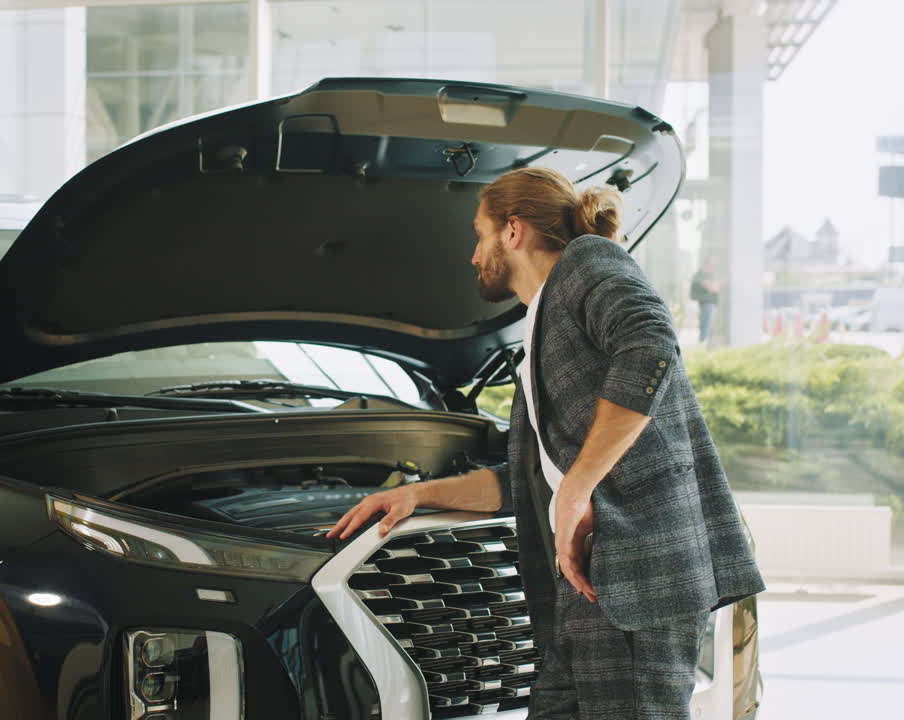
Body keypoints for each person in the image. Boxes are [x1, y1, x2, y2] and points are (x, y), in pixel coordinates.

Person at [327, 167, 764, 719]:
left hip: (634, 580)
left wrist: (580, 486)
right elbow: (531, 478)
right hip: (578, 595)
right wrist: (420, 495)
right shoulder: (541, 328)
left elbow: (650, 344)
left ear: (514, 231)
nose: (473, 254)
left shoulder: (588, 261)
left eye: (478, 234)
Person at [690, 260, 721, 344]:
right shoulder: (700, 275)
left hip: (710, 304)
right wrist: (714, 286)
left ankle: (705, 345)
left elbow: (716, 288)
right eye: (712, 265)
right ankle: (702, 344)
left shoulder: (709, 275)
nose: (713, 268)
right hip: (706, 304)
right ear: (706, 265)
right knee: (705, 326)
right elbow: (713, 288)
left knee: (708, 326)